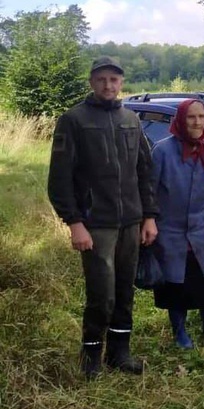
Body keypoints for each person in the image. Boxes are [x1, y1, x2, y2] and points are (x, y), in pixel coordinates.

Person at [47, 56, 158, 379]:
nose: (108, 85)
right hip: (96, 225)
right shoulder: (73, 120)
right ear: (92, 83)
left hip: (131, 223)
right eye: (102, 79)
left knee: (125, 292)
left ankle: (119, 353)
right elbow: (59, 179)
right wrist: (74, 222)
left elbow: (145, 172)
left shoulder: (131, 120)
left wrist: (149, 216)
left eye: (114, 79)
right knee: (101, 295)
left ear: (121, 83)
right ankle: (91, 357)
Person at [150, 99, 204, 349]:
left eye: (201, 117)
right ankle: (180, 333)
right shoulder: (162, 151)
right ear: (180, 120)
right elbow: (150, 192)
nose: (197, 122)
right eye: (191, 117)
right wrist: (148, 222)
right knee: (176, 285)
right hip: (171, 232)